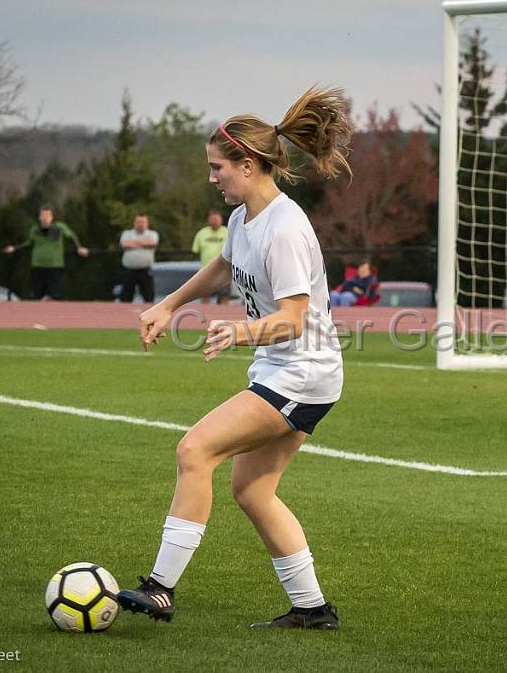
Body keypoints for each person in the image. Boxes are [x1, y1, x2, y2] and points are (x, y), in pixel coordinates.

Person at [116, 86, 352, 630]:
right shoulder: (247, 217)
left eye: (217, 167)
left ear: (248, 164)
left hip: (302, 372)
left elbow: (292, 319)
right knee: (252, 489)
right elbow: (223, 269)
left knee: (195, 450)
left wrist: (240, 331)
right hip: (290, 370)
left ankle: (160, 589)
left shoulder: (286, 228)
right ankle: (313, 610)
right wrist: (168, 305)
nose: (212, 177)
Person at [4, 206, 89, 300]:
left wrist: (79, 247)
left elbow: (71, 236)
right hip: (37, 266)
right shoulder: (34, 230)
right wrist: (14, 248)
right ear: (39, 217)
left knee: (53, 295)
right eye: (43, 215)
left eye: (47, 216)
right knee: (37, 296)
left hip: (55, 266)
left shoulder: (59, 227)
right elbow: (28, 243)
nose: (45, 218)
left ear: (52, 217)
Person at [191, 210, 231, 304]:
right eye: (212, 219)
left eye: (217, 219)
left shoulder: (227, 232)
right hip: (205, 271)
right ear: (208, 220)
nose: (215, 221)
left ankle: (224, 316)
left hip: (224, 271)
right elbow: (195, 250)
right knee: (204, 295)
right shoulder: (202, 233)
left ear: (221, 220)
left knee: (224, 295)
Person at [119, 213, 160, 302]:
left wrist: (133, 243)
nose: (140, 224)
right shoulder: (126, 233)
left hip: (145, 271)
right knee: (125, 298)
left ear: (147, 223)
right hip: (129, 271)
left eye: (143, 222)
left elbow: (152, 242)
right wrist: (143, 244)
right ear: (134, 223)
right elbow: (125, 244)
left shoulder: (152, 234)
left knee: (149, 297)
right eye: (138, 222)